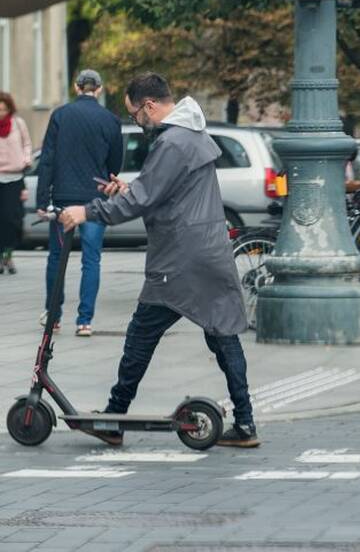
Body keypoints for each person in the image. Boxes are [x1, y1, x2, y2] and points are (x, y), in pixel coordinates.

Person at [58, 73, 258, 447]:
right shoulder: (193, 134)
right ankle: (246, 424)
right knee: (223, 336)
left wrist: (87, 212)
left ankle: (114, 417)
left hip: (180, 258)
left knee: (140, 335)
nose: (137, 121)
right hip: (208, 250)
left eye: (135, 114)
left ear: (150, 105)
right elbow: (162, 191)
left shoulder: (172, 142)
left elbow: (141, 201)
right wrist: (130, 188)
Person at [35, 70, 123, 336]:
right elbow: (115, 163)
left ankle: (54, 315)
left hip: (63, 198)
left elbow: (47, 159)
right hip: (94, 200)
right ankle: (85, 321)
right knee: (92, 259)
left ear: (76, 87)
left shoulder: (60, 115)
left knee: (56, 257)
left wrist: (42, 199)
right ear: (99, 89)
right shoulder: (110, 119)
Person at [0, 92, 33, 274]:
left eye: (4, 109)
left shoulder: (18, 124)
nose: (1, 113)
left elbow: (27, 144)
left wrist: (27, 159)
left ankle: (8, 256)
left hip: (14, 178)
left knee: (11, 219)